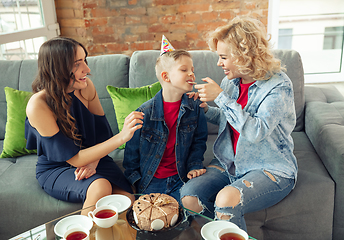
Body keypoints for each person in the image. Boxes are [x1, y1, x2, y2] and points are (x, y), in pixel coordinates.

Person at [180, 16, 298, 231]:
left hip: (270, 167)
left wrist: (221, 97)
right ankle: (218, 234)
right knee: (189, 198)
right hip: (231, 163)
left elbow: (255, 131)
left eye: (223, 57)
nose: (219, 63)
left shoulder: (279, 85)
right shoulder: (230, 82)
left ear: (244, 55)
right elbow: (229, 121)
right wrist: (206, 110)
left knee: (226, 199)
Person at [24, 37, 144, 215]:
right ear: (58, 68)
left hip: (93, 158)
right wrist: (122, 136)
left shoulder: (86, 87)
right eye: (77, 63)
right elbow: (74, 159)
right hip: (57, 167)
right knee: (100, 186)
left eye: (85, 60)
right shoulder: (38, 105)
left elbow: (101, 135)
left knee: (127, 199)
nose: (87, 69)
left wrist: (94, 162)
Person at [123, 36, 208, 204]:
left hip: (181, 177)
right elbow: (131, 155)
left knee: (186, 215)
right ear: (166, 77)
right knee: (153, 221)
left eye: (192, 69)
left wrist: (195, 166)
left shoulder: (195, 106)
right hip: (151, 180)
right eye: (184, 70)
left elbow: (199, 141)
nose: (191, 73)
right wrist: (134, 184)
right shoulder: (144, 113)